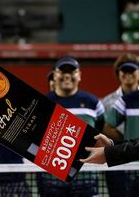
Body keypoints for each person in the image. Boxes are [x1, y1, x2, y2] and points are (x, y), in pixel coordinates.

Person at [38, 57, 105, 197]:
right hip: (51, 180)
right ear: (55, 75)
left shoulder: (93, 103)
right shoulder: (43, 103)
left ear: (79, 75)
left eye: (72, 71)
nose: (67, 75)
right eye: (62, 71)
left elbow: (100, 131)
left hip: (86, 178)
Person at [101, 53, 139, 197]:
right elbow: (103, 130)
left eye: (132, 70)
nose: (128, 74)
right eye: (124, 70)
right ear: (118, 73)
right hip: (118, 164)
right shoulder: (106, 102)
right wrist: (129, 145)